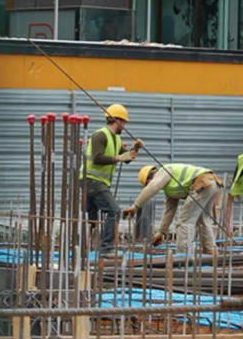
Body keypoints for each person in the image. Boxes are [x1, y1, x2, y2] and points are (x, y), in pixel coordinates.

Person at [80, 104, 142, 257]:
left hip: (96, 182)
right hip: (91, 181)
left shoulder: (116, 139)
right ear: (117, 120)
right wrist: (117, 158)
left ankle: (85, 249)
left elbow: (126, 158)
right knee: (114, 211)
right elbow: (97, 158)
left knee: (92, 218)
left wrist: (136, 149)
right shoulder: (100, 135)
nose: (125, 126)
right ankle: (107, 249)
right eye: (124, 122)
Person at [123, 164, 221, 255]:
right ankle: (211, 253)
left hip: (202, 183)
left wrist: (135, 206)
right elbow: (169, 211)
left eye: (147, 184)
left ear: (150, 178)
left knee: (184, 223)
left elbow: (153, 187)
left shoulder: (164, 171)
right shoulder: (170, 188)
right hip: (212, 183)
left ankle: (184, 257)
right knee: (203, 221)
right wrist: (161, 232)